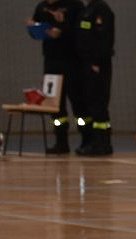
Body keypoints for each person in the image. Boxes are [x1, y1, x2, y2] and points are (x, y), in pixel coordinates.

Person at [28, 0, 83, 155]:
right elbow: (36, 32)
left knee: (78, 102)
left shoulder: (75, 5)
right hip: (51, 61)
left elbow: (81, 31)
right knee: (54, 105)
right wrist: (33, 28)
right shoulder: (41, 7)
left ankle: (87, 139)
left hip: (73, 61)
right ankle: (61, 142)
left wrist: (62, 26)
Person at [74, 0, 114, 156]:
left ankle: (103, 144)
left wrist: (97, 61)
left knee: (98, 104)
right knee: (89, 103)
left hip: (97, 65)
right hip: (85, 64)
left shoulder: (101, 9)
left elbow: (104, 38)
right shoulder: (86, 10)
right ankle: (91, 141)